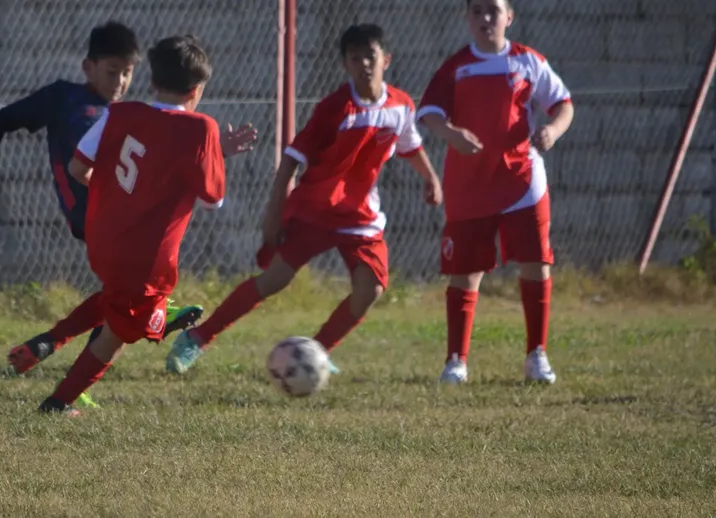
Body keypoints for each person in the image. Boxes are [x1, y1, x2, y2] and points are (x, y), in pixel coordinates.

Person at [166, 23, 443, 376]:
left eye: (370, 56)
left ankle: (317, 353)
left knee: (370, 288)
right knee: (273, 280)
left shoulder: (401, 105)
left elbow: (410, 145)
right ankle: (196, 339)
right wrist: (273, 216)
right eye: (354, 58)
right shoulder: (335, 109)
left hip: (360, 216)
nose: (364, 65)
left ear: (386, 59)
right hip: (315, 210)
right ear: (345, 64)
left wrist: (431, 178)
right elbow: (290, 163)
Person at [26, 35, 251, 416]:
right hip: (147, 259)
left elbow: (79, 168)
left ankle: (45, 344)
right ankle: (58, 402)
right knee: (122, 332)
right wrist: (215, 152)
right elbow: (213, 200)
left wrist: (117, 194)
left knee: (118, 305)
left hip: (101, 240)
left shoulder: (120, 113)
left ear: (151, 80)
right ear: (197, 90)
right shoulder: (201, 129)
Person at [416, 0, 575, 385]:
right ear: (467, 18)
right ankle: (456, 360)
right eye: (477, 11)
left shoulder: (528, 61)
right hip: (469, 186)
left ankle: (537, 355)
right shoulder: (457, 66)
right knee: (466, 272)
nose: (486, 18)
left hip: (522, 180)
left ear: (509, 16)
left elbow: (562, 104)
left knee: (535, 263)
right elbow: (430, 113)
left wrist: (553, 131)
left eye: (493, 10)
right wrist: (451, 134)